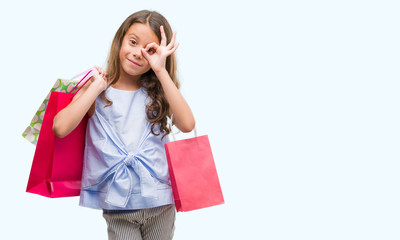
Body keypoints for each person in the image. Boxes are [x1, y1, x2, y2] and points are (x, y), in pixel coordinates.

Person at [53, 10, 195, 240]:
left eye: (150, 50)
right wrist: (94, 89)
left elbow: (188, 124)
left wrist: (160, 70)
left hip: (160, 203)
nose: (138, 53)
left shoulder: (157, 92)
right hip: (117, 205)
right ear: (120, 40)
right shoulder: (98, 88)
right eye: (132, 42)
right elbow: (60, 127)